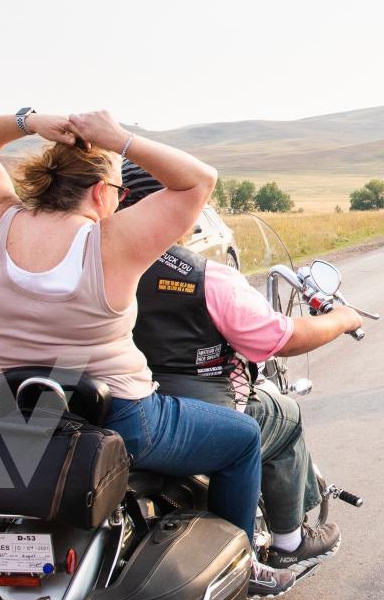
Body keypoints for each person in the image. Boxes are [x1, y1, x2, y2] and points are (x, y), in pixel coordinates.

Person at [0, 107, 299, 599]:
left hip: (3, 418)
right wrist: (120, 139)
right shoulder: (109, 240)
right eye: (117, 191)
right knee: (243, 437)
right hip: (119, 418)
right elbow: (199, 180)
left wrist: (31, 121)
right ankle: (240, 565)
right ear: (100, 193)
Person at [120, 161, 362, 575]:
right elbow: (281, 338)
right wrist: (342, 318)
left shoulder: (94, 265)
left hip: (108, 407)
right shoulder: (206, 277)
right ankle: (289, 540)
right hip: (185, 416)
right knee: (282, 413)